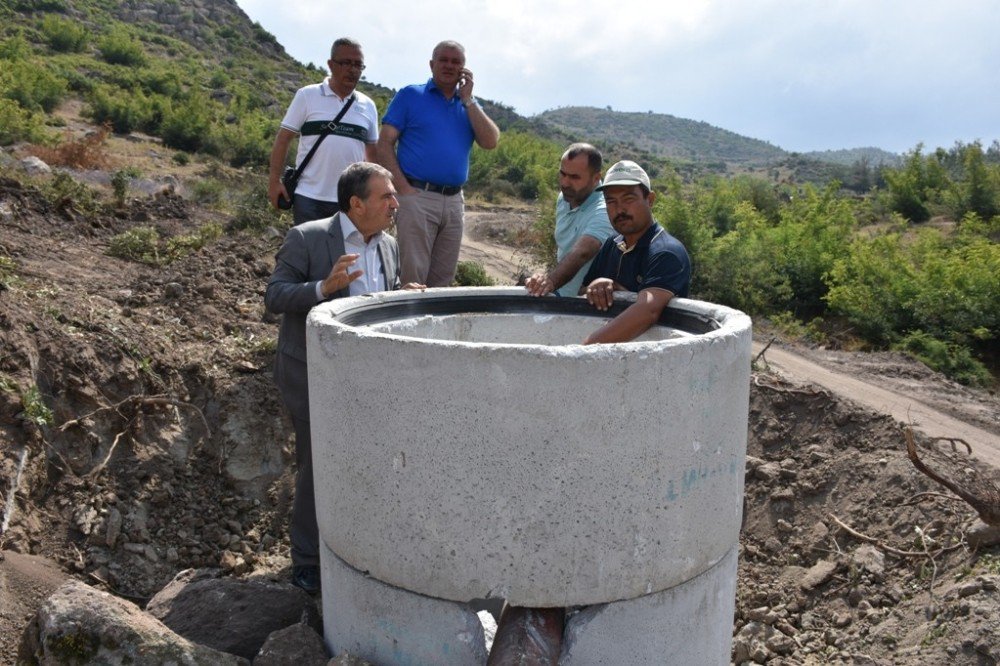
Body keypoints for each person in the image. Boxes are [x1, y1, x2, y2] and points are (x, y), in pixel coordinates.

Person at [264, 162, 423, 593]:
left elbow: (374, 304)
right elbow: (274, 296)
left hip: (367, 376)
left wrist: (399, 299)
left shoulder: (387, 246)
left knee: (363, 459)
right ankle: (308, 561)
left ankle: (355, 544)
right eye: (386, 196)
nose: (395, 203)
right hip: (312, 371)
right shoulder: (309, 237)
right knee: (318, 464)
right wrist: (323, 288)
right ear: (356, 203)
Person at [377, 40, 500, 287]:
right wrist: (403, 189)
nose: (449, 66)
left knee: (443, 280)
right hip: (416, 195)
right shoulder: (411, 95)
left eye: (456, 62)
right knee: (413, 277)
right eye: (443, 60)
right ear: (432, 64)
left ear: (464, 69)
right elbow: (384, 143)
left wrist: (469, 100)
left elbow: (490, 141)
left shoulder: (469, 105)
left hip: (454, 201)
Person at [268, 37, 380, 225]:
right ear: (330, 64)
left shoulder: (368, 105)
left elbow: (372, 157)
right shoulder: (307, 95)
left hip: (350, 201)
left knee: (347, 254)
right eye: (346, 63)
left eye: (358, 65)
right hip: (309, 197)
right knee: (310, 253)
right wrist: (273, 182)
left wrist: (373, 195)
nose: (352, 69)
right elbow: (283, 139)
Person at [579, 160, 691, 345]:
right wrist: (598, 285)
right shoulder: (611, 244)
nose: (620, 209)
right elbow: (581, 293)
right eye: (611, 201)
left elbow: (648, 312)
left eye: (628, 199)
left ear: (650, 199)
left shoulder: (666, 252)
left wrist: (582, 350)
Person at [525, 143, 614, 297]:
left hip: (582, 305)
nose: (565, 183)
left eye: (574, 177)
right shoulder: (565, 197)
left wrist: (550, 281)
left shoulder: (604, 210)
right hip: (559, 292)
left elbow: (582, 253)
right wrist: (544, 278)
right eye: (563, 174)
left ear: (596, 178)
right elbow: (565, 250)